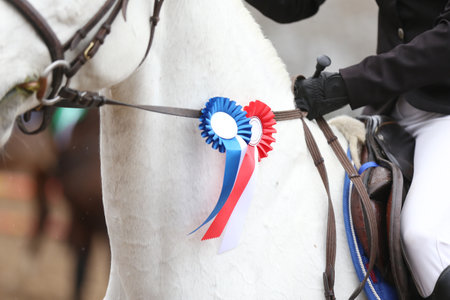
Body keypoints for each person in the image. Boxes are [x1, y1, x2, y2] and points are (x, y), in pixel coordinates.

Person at [245, 1, 450, 299]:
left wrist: (347, 86)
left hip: (444, 114)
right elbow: (294, 5)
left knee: (424, 238)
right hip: (390, 109)